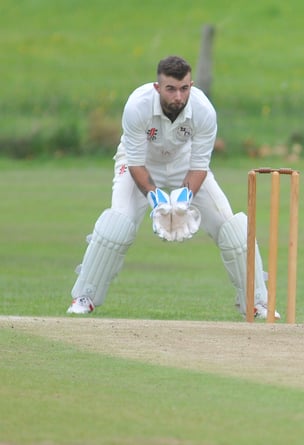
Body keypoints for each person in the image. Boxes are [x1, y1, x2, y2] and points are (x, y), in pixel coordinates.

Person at [67, 55, 277, 319]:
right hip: (141, 163)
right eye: (171, 89)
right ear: (158, 88)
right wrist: (156, 198)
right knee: (117, 226)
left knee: (232, 228)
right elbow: (135, 163)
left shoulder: (203, 110)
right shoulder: (137, 106)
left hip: (184, 164)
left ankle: (256, 303)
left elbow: (200, 166)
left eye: (184, 88)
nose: (178, 96)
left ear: (191, 85)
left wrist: (184, 196)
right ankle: (85, 297)